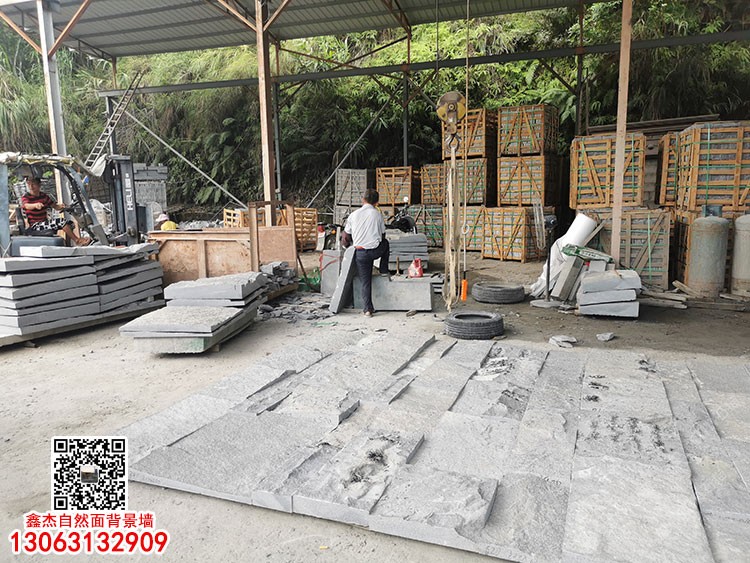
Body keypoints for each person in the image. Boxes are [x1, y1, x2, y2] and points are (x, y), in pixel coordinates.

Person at [342, 189, 390, 317]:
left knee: (365, 281)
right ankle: (384, 270)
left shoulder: (353, 215)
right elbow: (383, 235)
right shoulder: (377, 215)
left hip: (361, 253)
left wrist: (346, 247)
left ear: (363, 200)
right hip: (375, 251)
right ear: (377, 202)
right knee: (386, 244)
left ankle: (367, 309)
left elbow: (346, 237)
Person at [20, 177, 91, 245]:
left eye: (33, 184)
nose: (31, 186)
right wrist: (35, 205)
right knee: (61, 222)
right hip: (35, 225)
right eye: (29, 184)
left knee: (70, 224)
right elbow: (26, 205)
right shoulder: (26, 197)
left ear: (39, 185)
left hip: (44, 223)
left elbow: (55, 206)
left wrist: (63, 206)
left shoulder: (44, 196)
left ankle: (67, 245)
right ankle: (77, 241)